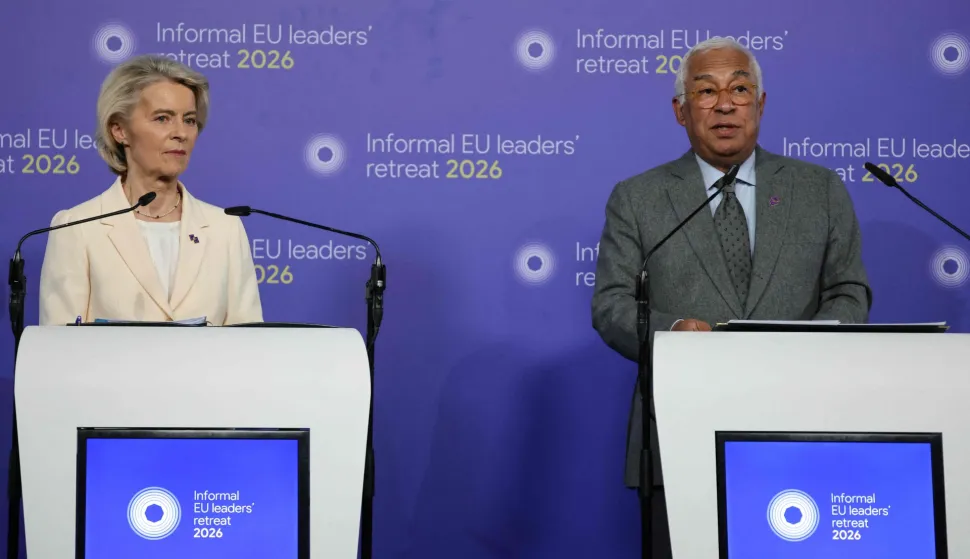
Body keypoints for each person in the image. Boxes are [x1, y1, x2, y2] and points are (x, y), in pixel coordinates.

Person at [591, 37, 871, 556]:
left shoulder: (820, 189)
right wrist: (674, 333)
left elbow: (849, 292)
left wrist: (804, 343)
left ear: (760, 104)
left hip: (801, 429)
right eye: (706, 90)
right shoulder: (638, 198)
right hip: (680, 437)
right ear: (681, 111)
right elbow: (611, 306)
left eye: (740, 88)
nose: (725, 103)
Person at [38, 55, 263, 326]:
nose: (180, 132)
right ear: (119, 130)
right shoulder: (76, 228)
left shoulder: (225, 229)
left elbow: (248, 346)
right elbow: (61, 351)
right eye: (162, 118)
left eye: (189, 120)